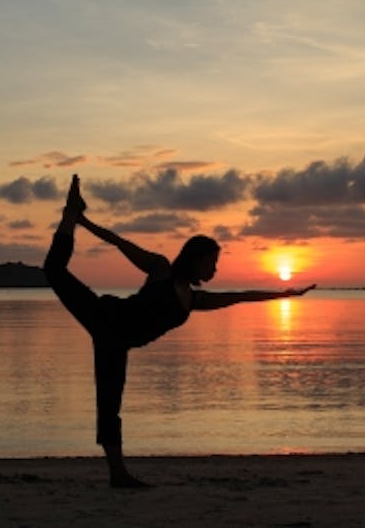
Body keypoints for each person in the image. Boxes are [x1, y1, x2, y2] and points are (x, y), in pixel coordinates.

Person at [43, 174, 315, 488]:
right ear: (197, 259)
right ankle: (70, 215)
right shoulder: (161, 270)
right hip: (106, 315)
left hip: (116, 341)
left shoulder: (194, 300)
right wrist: (83, 222)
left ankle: (118, 475)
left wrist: (286, 294)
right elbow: (120, 243)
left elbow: (241, 296)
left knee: (109, 404)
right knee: (53, 270)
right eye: (212, 263)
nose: (214, 270)